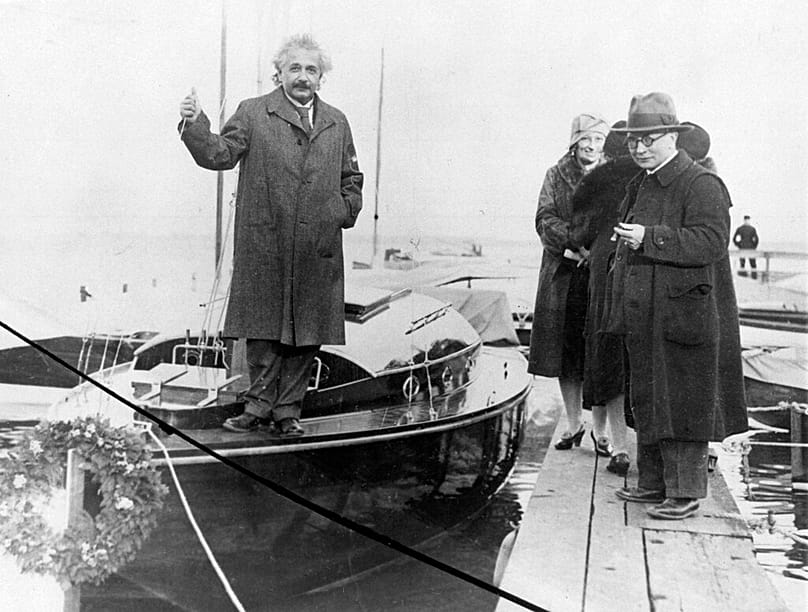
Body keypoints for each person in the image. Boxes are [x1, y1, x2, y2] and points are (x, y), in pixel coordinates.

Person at [178, 34, 363, 437]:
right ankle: (257, 406)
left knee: (306, 333)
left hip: (318, 247)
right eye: (294, 68)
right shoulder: (254, 112)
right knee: (262, 330)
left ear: (321, 78)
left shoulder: (337, 121)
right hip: (265, 243)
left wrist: (341, 211)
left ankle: (288, 412)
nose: (302, 77)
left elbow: (352, 178)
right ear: (277, 73)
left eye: (311, 69)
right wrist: (195, 124)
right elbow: (219, 153)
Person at [606, 92, 747, 519]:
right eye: (634, 141)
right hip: (646, 311)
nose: (639, 148)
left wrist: (649, 238)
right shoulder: (643, 181)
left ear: (673, 137)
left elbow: (711, 241)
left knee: (684, 400)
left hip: (686, 313)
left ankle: (684, 493)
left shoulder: (701, 183)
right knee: (649, 395)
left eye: (649, 139)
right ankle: (653, 484)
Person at [528, 113, 612, 455]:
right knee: (567, 352)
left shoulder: (613, 175)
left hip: (602, 272)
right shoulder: (555, 175)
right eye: (585, 140)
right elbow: (544, 218)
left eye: (597, 140)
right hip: (564, 273)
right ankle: (574, 422)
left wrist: (597, 251)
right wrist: (572, 246)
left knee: (602, 351)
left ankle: (602, 430)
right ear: (574, 142)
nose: (590, 147)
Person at [568, 121, 634, 476]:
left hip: (605, 270)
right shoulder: (649, 176)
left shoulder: (596, 180)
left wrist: (586, 249)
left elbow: (579, 230)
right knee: (632, 359)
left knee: (603, 352)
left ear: (608, 149)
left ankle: (610, 440)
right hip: (640, 271)